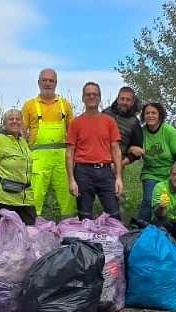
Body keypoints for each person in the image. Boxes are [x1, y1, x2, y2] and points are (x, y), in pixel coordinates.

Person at [21, 68, 76, 218]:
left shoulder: (65, 105)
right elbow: (20, 133)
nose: (47, 83)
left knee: (68, 196)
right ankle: (32, 227)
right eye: (44, 80)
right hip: (38, 159)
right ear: (38, 82)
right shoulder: (29, 105)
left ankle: (70, 226)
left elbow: (73, 134)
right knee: (35, 195)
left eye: (51, 80)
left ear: (56, 83)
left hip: (62, 158)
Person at [66, 82, 123, 220]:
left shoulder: (109, 121)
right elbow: (69, 152)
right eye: (88, 94)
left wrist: (119, 177)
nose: (91, 97)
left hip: (105, 172)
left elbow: (116, 150)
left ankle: (116, 241)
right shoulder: (75, 123)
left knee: (114, 215)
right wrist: (71, 179)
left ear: (99, 97)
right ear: (83, 98)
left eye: (95, 94)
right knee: (84, 217)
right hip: (83, 172)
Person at [0, 109, 35, 227]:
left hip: (24, 197)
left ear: (22, 122)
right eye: (11, 119)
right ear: (5, 123)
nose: (15, 121)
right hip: (3, 196)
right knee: (3, 234)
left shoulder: (23, 142)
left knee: (29, 230)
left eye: (18, 119)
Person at [137, 102, 176, 224]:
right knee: (149, 200)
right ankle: (139, 226)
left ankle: (164, 227)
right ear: (143, 116)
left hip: (170, 173)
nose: (150, 116)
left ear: (160, 115)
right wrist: (132, 149)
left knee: (166, 202)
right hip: (150, 172)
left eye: (154, 113)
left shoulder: (169, 131)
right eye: (147, 113)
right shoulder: (141, 132)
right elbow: (132, 150)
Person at [102, 86, 144, 165]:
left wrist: (121, 164)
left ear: (133, 102)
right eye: (122, 99)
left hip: (115, 163)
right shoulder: (106, 112)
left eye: (128, 100)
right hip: (96, 158)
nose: (124, 102)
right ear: (118, 99)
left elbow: (137, 151)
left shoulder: (134, 123)